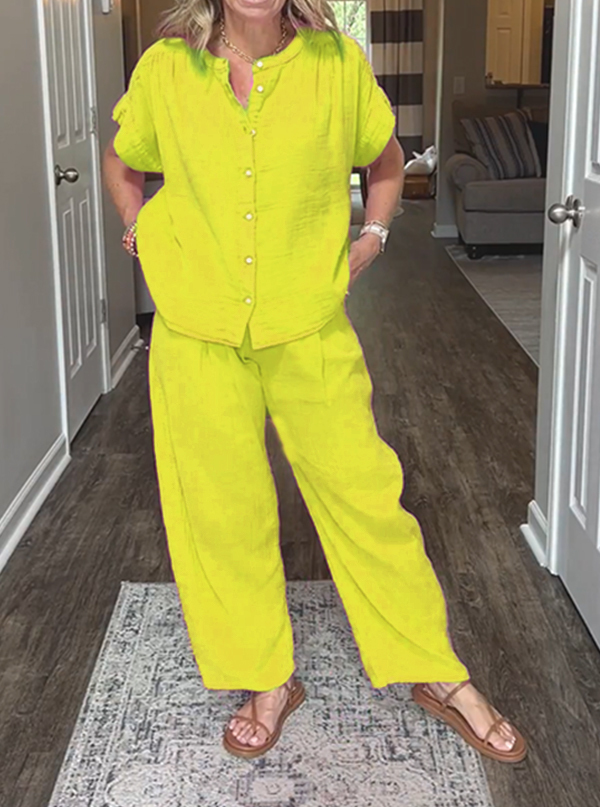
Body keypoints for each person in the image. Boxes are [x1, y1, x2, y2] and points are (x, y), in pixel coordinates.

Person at [103, 0, 527, 765]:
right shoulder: (166, 68)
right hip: (197, 328)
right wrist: (138, 229)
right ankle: (267, 678)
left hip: (307, 324)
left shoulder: (336, 67)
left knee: (365, 495)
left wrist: (375, 233)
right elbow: (122, 160)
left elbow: (387, 161)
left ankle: (436, 669)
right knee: (221, 512)